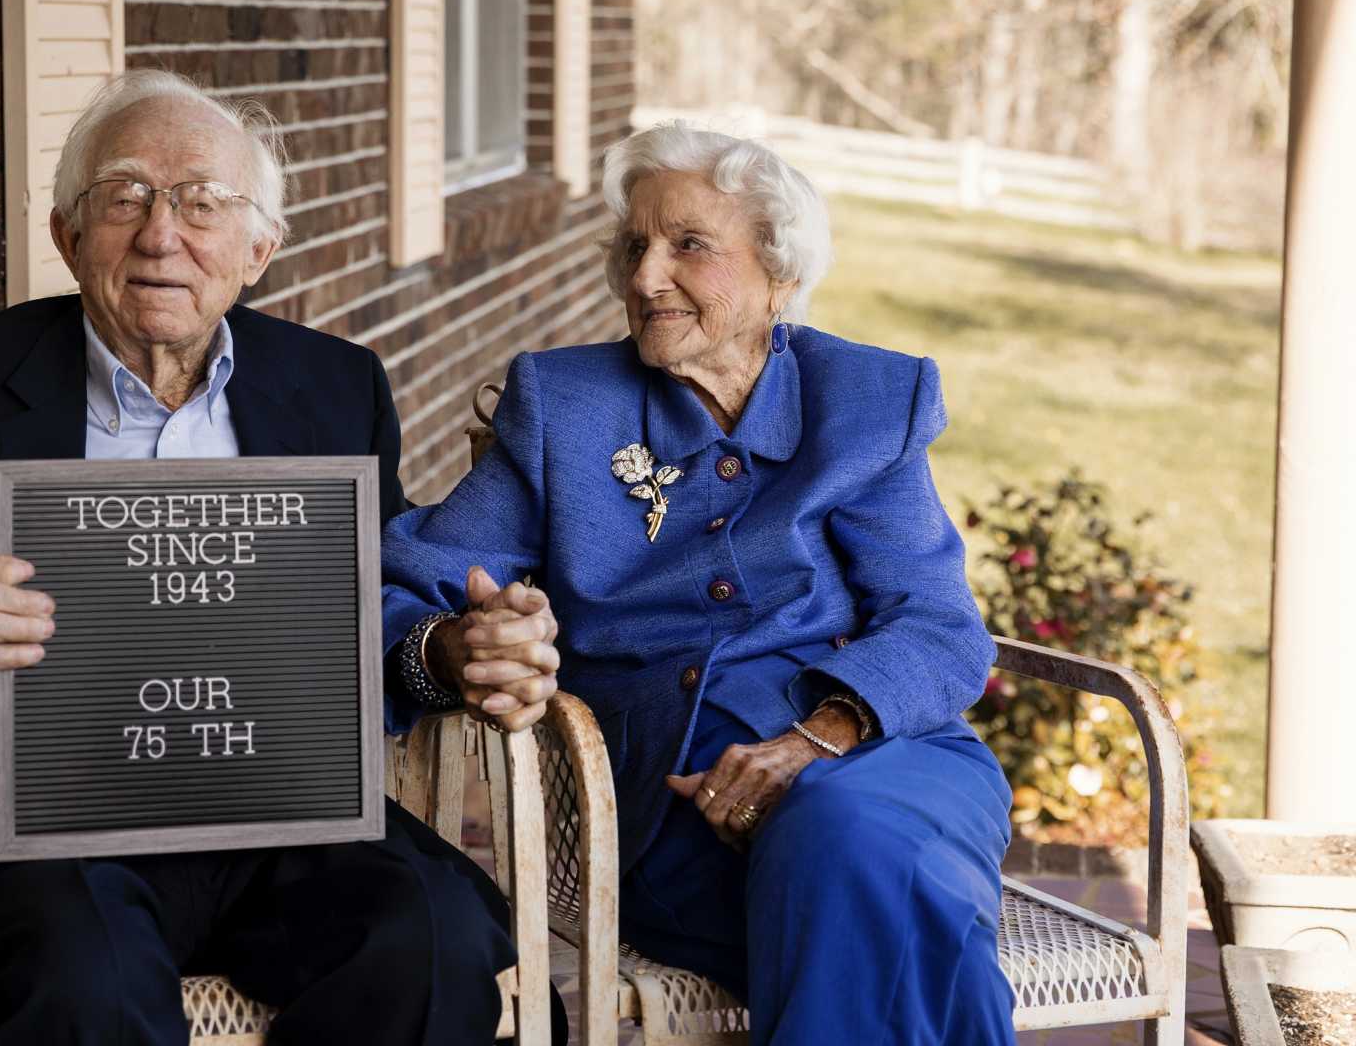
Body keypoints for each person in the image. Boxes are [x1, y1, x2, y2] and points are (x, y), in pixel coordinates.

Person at [0, 70, 531, 1045]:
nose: (161, 233)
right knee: (87, 982)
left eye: (202, 203)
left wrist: (451, 649)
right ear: (66, 236)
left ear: (259, 249)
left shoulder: (333, 387)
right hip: (30, 837)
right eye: (123, 197)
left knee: (431, 941)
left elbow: (369, 619)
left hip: (278, 817)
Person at [381, 123, 1017, 1045]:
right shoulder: (565, 407)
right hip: (691, 809)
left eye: (689, 246)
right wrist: (455, 647)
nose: (645, 278)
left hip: (889, 750)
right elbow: (412, 582)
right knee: (895, 897)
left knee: (854, 841)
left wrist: (819, 736)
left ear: (778, 275)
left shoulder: (867, 402)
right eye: (635, 247)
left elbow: (940, 625)